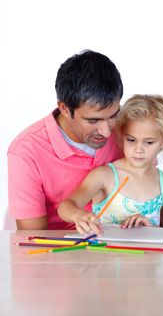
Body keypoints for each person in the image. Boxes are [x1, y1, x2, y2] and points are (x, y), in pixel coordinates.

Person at [7, 50, 123, 230]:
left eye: (114, 116)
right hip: (61, 252)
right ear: (65, 109)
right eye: (93, 120)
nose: (107, 132)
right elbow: (33, 238)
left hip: (124, 247)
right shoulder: (25, 151)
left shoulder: (129, 133)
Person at [58, 94, 163, 234]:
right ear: (121, 135)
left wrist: (152, 230)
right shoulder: (104, 175)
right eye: (131, 140)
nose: (138, 149)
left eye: (149, 142)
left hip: (151, 256)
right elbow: (65, 206)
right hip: (104, 254)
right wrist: (78, 216)